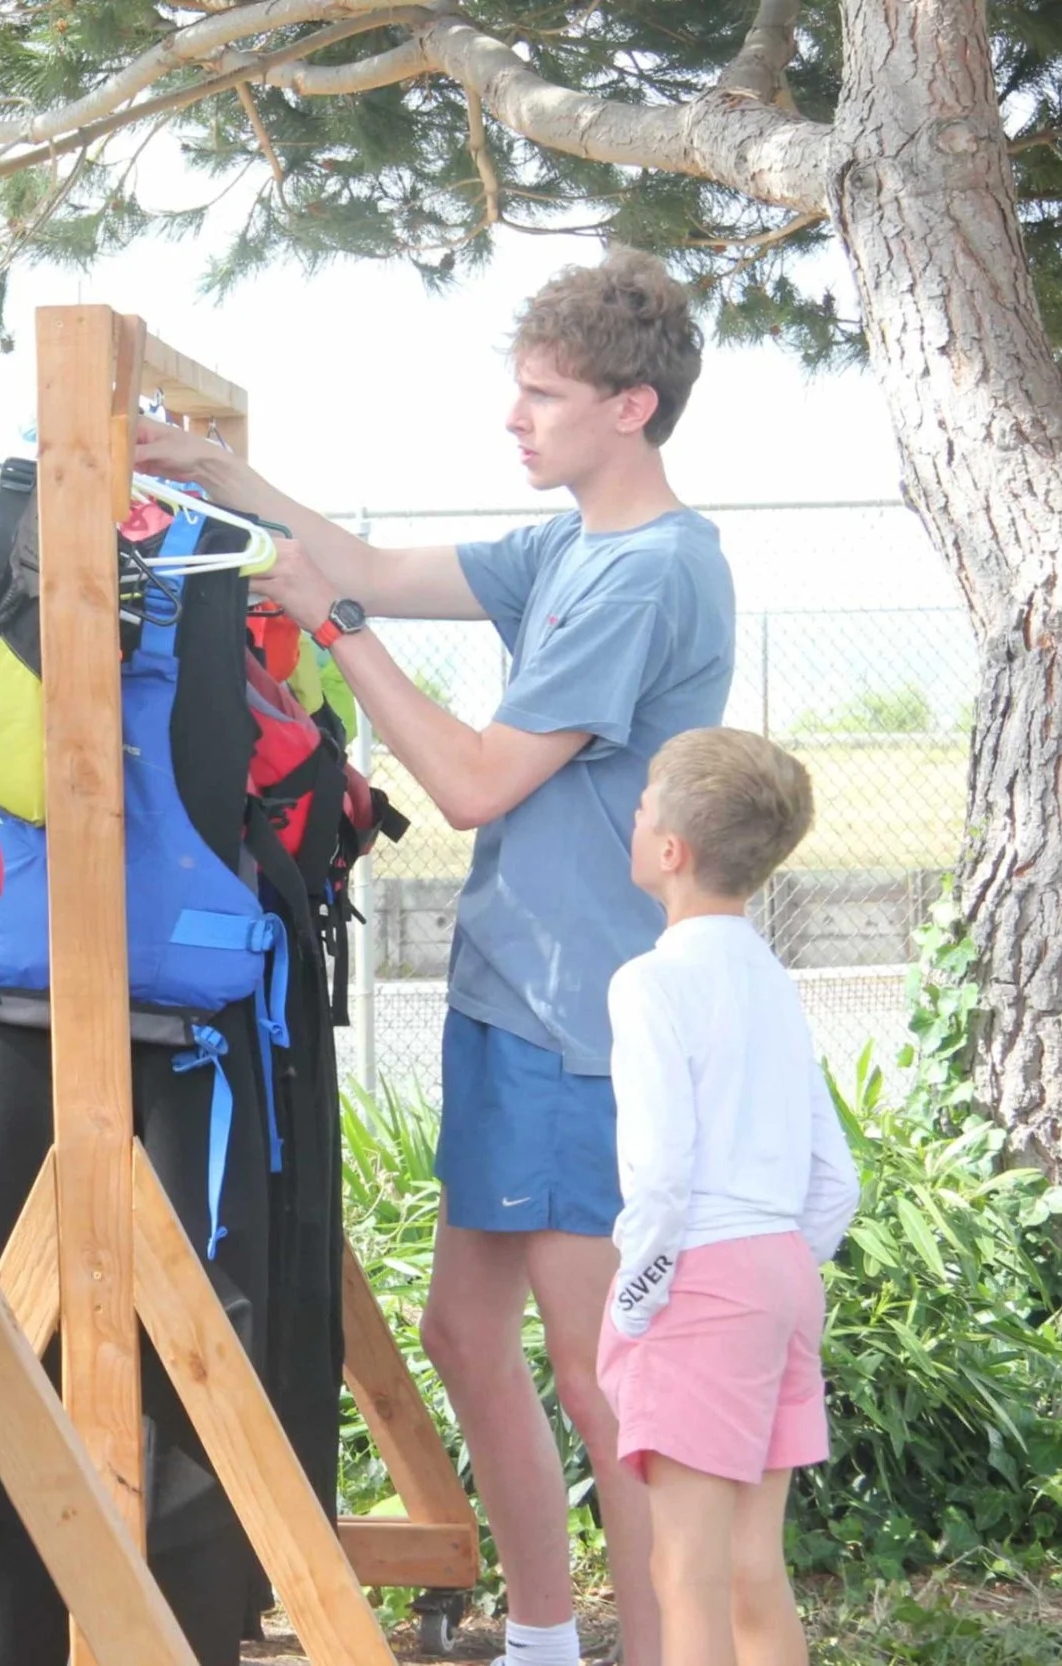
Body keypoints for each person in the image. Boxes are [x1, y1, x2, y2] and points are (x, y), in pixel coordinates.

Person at [134, 245, 732, 1666]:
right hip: (508, 996)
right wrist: (222, 473)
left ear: (632, 407)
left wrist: (331, 630)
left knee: (601, 1375)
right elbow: (375, 567)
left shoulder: (651, 573)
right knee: (466, 1331)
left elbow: (471, 780)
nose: (514, 420)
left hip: (581, 1017)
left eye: (543, 396)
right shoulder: (572, 544)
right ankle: (539, 1635)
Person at [601, 727, 859, 1665]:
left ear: (671, 851)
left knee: (687, 1569)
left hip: (700, 1280)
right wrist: (773, 1265)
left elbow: (659, 1172)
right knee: (755, 1566)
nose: (632, 820)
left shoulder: (650, 983)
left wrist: (635, 1297)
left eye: (641, 807)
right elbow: (836, 1180)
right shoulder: (771, 981)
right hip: (782, 1275)